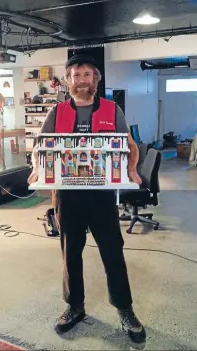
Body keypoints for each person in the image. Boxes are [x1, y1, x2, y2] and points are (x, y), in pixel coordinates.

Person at [28, 54, 146, 344]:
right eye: (76, 75)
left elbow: (129, 144)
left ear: (96, 79)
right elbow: (40, 146)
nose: (81, 80)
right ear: (68, 80)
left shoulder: (111, 108)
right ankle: (75, 306)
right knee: (71, 253)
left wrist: (131, 168)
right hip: (67, 196)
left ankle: (125, 309)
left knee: (112, 252)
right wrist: (35, 168)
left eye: (87, 75)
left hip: (102, 195)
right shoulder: (56, 113)